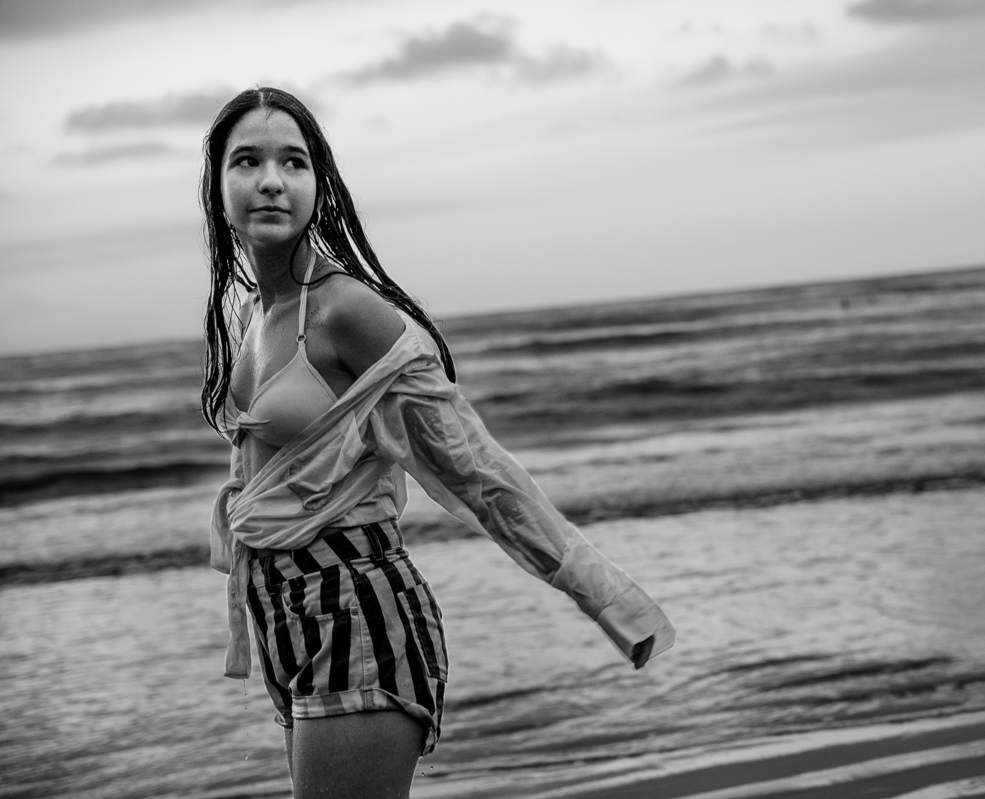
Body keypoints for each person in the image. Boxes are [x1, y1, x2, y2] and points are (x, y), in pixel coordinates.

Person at [199, 86, 675, 798]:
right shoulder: (255, 317)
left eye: (293, 162)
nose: (271, 180)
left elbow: (477, 467)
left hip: (357, 608)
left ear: (318, 185)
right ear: (218, 185)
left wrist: (604, 595)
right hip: (288, 616)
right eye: (248, 161)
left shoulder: (345, 311)